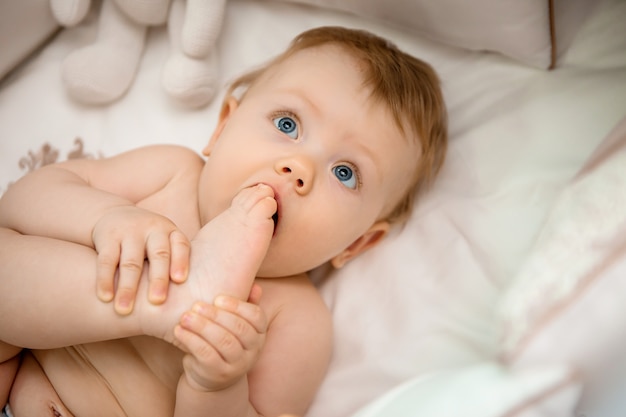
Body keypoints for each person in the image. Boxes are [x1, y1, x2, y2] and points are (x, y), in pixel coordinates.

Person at [0, 26, 447, 417]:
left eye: (345, 173)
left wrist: (216, 385)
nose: (298, 167)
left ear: (358, 243)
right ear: (222, 127)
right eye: (288, 124)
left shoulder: (295, 319)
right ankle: (169, 305)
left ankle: (164, 307)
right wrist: (103, 219)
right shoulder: (170, 173)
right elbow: (21, 202)